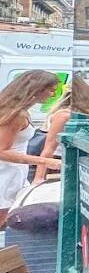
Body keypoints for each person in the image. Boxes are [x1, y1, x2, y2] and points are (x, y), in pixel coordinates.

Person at [0, 70, 61, 228]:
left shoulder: (17, 111)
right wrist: (45, 161)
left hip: (12, 174)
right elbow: (1, 151)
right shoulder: (16, 115)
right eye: (51, 90)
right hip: (5, 175)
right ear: (37, 89)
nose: (54, 95)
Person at [31, 75, 89, 185]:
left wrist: (38, 178)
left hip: (63, 164)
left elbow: (49, 148)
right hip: (85, 164)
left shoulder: (64, 115)